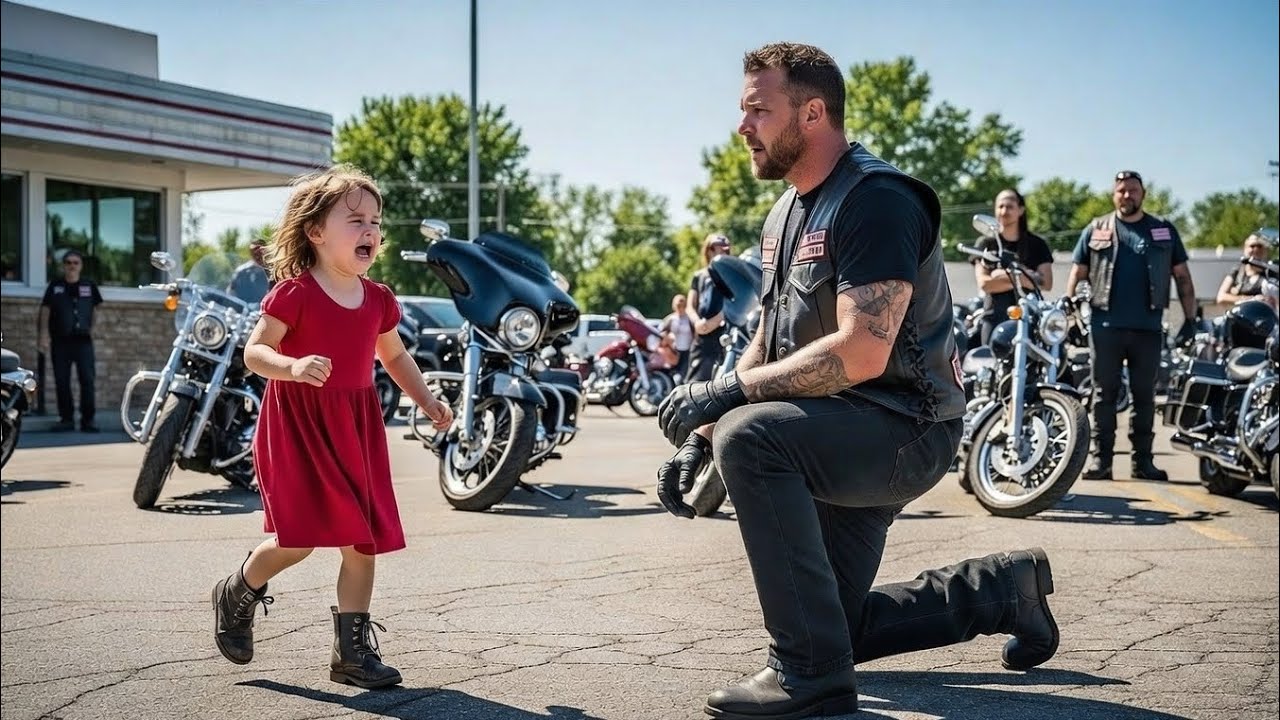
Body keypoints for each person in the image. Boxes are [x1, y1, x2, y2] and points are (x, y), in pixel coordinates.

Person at [654, 42, 1060, 720]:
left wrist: (726, 401)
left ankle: (808, 677)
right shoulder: (785, 211)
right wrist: (698, 435)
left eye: (759, 109)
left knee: (751, 436)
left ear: (812, 113)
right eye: (743, 109)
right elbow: (769, 338)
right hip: (833, 427)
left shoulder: (876, 200)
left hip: (904, 427)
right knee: (828, 622)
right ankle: (1002, 591)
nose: (742, 126)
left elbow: (864, 352)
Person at [209, 165, 453, 689]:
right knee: (297, 540)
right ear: (316, 232)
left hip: (355, 427)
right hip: (297, 426)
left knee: (361, 540)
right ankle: (238, 590)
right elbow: (254, 353)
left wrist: (428, 400)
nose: (369, 230)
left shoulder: (379, 299)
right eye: (355, 220)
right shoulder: (293, 293)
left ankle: (351, 654)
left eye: (375, 221)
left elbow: (395, 356)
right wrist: (292, 366)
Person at [1065, 170, 1198, 482]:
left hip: (1148, 328)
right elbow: (1077, 273)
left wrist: (1191, 320)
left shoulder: (1163, 230)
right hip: (1105, 326)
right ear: (1114, 195)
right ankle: (1102, 462)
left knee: (1144, 395)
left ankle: (1143, 464)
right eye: (1122, 190)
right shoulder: (1097, 228)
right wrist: (1071, 315)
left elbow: (1182, 277)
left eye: (1133, 190)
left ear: (1143, 194)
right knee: (1103, 395)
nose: (1127, 195)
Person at [971, 188, 1055, 344]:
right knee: (988, 362)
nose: (1004, 211)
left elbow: (1046, 283)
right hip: (995, 315)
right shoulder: (986, 243)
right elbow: (985, 284)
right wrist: (1024, 276)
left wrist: (999, 275)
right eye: (1000, 206)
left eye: (1009, 206)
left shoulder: (1037, 244)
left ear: (1021, 210)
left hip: (1029, 318)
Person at [37, 250, 103, 432]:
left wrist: (94, 328)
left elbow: (96, 308)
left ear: (80, 266)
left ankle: (87, 421)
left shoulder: (89, 286)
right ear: (64, 265)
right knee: (62, 381)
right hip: (60, 341)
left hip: (83, 342)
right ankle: (66, 419)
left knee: (87, 380)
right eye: (68, 262)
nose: (72, 265)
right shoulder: (55, 286)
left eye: (75, 262)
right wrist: (43, 335)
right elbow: (45, 310)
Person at [685, 234, 732, 382]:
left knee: (719, 380)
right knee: (694, 381)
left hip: (722, 334)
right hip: (701, 336)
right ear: (707, 251)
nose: (718, 252)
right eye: (713, 248)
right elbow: (690, 306)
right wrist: (697, 323)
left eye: (724, 249)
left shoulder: (730, 275)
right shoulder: (699, 276)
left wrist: (716, 321)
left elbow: (735, 302)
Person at [1215, 232, 1272, 306]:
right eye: (1252, 246)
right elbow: (1221, 297)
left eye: (1259, 246)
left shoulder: (1271, 272)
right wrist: (1251, 299)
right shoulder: (1238, 271)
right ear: (1245, 248)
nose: (1256, 249)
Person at [660, 293, 695, 379]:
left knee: (685, 373)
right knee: (674, 373)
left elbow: (695, 333)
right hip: (674, 350)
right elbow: (661, 333)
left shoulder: (689, 319)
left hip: (688, 350)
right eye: (678, 306)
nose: (680, 308)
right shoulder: (671, 319)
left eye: (682, 305)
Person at [227, 237, 272, 304]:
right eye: (253, 252)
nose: (257, 256)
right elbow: (231, 292)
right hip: (245, 310)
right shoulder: (242, 271)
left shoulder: (274, 270)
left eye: (259, 252)